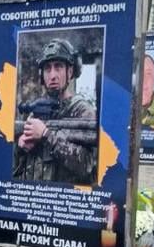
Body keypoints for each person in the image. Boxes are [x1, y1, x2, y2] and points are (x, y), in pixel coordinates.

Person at [13, 38, 97, 184]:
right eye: (47, 68)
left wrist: (46, 136)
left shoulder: (83, 112)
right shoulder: (36, 112)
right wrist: (21, 147)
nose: (52, 75)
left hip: (63, 202)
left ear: (70, 71)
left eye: (58, 67)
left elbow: (88, 167)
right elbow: (16, 170)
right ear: (42, 75)